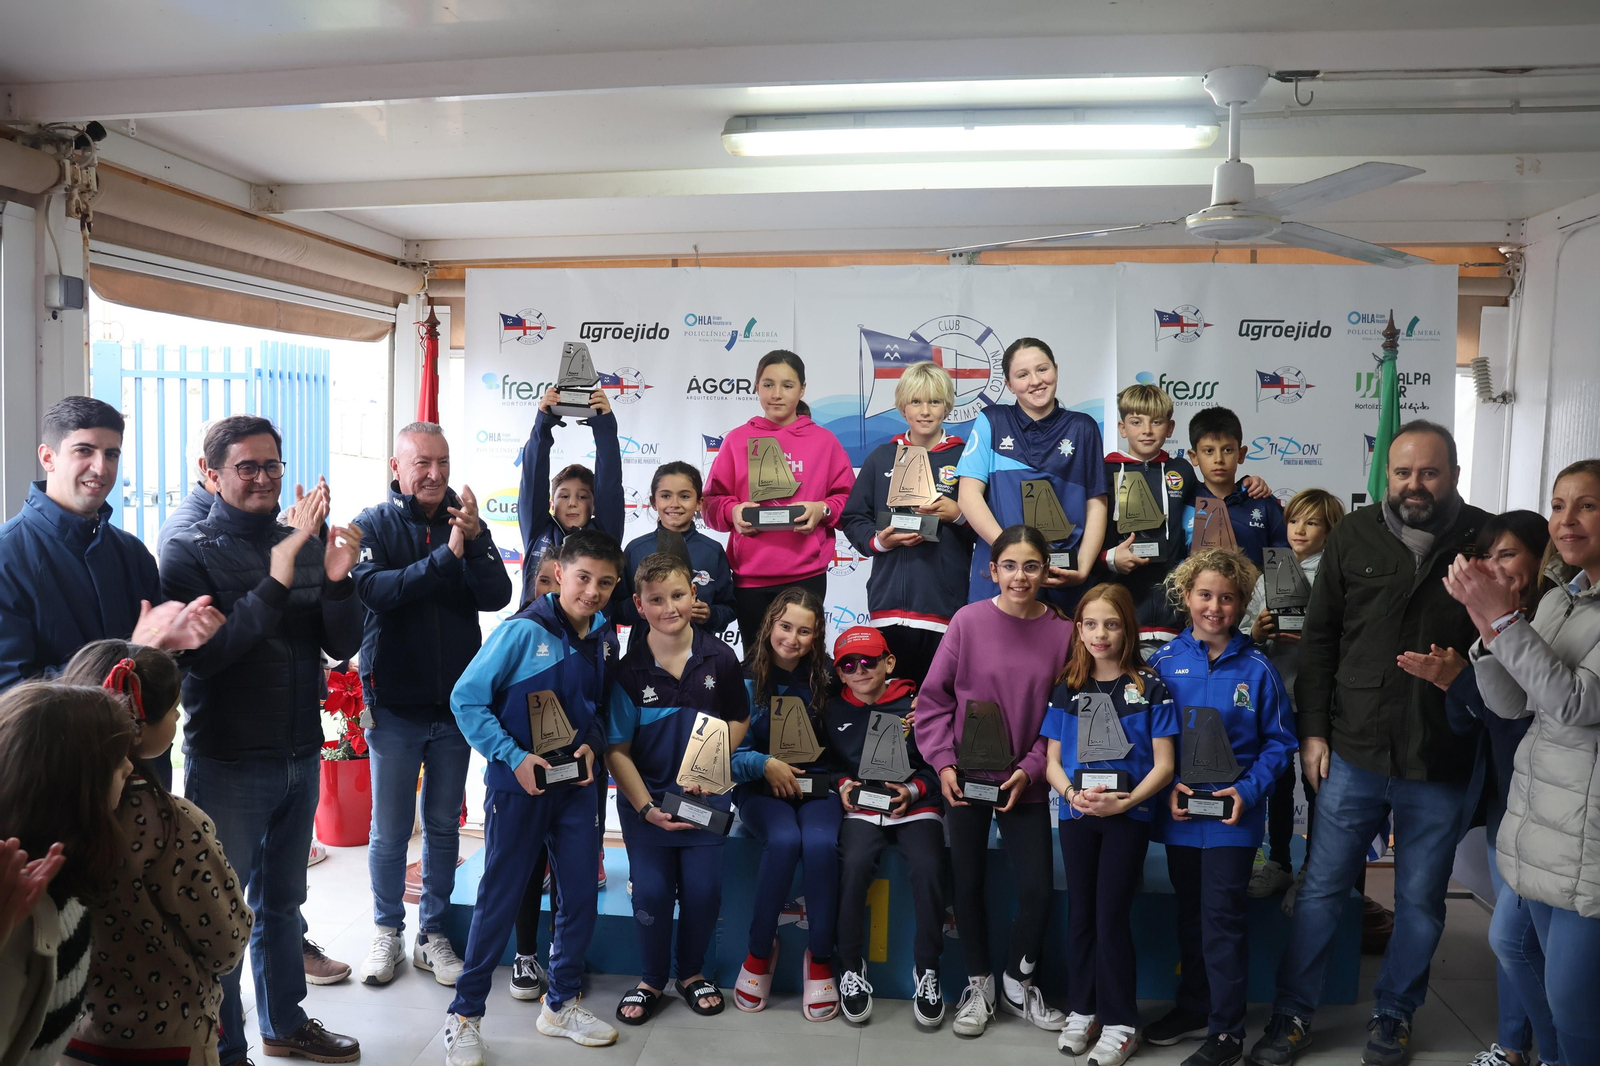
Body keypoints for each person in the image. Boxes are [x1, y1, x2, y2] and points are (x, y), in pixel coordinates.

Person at [1252, 421, 1490, 1066]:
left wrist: (1464, 678)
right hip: (1353, 747)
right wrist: (1313, 732)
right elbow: (1321, 641)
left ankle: (1394, 1013)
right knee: (1323, 887)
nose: (1415, 485)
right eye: (1403, 473)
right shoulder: (1354, 534)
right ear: (1386, 476)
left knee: (1418, 898)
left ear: (1455, 475)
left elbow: (1507, 640)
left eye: (1430, 472)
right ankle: (1293, 1014)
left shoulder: (1485, 539)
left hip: (1440, 753)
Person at [159, 414, 365, 1065]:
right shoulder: (186, 549)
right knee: (222, 911)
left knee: (284, 904)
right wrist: (277, 578)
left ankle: (285, 1022)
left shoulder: (298, 539)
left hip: (301, 751)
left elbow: (342, 643)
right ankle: (225, 1047)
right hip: (229, 759)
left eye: (271, 465)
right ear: (211, 474)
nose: (262, 477)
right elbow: (208, 658)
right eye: (246, 466)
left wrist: (334, 577)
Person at [444, 531, 625, 1064]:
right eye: (583, 578)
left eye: (605, 582)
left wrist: (592, 747)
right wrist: (513, 757)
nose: (592, 591)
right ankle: (465, 1015)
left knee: (579, 895)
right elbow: (466, 700)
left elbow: (598, 708)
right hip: (517, 787)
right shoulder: (522, 632)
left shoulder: (605, 636)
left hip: (575, 791)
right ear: (558, 572)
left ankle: (560, 1003)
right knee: (499, 901)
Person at [351, 422, 512, 988]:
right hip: (393, 704)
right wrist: (447, 557)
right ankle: (386, 930)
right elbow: (376, 592)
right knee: (390, 831)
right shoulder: (371, 524)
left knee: (444, 826)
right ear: (397, 467)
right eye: (421, 463)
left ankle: (433, 935)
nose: (435, 474)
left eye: (442, 462)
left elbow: (497, 595)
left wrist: (476, 543)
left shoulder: (466, 523)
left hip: (453, 708)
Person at [1397, 512, 1558, 1066]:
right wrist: (1454, 681)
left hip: (1552, 806)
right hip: (1504, 798)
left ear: (1542, 562)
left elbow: (1530, 722)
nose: (1492, 568)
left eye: (1507, 556)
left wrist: (1460, 680)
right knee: (1514, 940)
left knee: (1529, 942)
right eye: (1486, 557)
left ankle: (1535, 1048)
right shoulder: (1485, 621)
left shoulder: (1554, 622)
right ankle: (1516, 1045)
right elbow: (1475, 721)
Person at [1457, 459, 1600, 1066]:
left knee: (1573, 998)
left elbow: (1572, 702)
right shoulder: (1565, 598)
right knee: (1510, 945)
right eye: (1559, 504)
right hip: (1543, 820)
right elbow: (1514, 699)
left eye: (1587, 505)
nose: (1566, 521)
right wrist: (1487, 625)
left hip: (1587, 832)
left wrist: (1508, 621)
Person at [0, 396, 224, 776]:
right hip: (56, 779)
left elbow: (161, 680)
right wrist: (134, 653)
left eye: (112, 454)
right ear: (48, 457)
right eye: (84, 451)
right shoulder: (8, 556)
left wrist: (177, 645)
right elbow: (14, 696)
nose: (100, 467)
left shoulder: (131, 552)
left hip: (143, 776)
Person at [60, 641, 253, 1066]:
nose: (180, 717)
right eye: (174, 711)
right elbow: (227, 945)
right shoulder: (170, 824)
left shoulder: (42, 814)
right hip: (169, 1040)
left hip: (68, 1038)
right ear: (138, 725)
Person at [916, 524, 1076, 1038]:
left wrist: (1030, 770)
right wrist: (942, 763)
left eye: (1032, 566)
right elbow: (934, 700)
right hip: (964, 781)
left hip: (1022, 785)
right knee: (967, 884)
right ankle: (978, 983)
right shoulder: (967, 621)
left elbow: (1061, 717)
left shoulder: (1064, 633)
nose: (1020, 576)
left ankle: (1016, 981)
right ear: (992, 570)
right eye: (1009, 565)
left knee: (1036, 889)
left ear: (1046, 571)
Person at [1143, 549, 1294, 1066]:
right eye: (1205, 595)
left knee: (1222, 917)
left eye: (1227, 598)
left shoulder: (1258, 668)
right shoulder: (1162, 663)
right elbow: (1147, 737)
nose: (1215, 606)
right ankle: (1195, 1007)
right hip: (1182, 816)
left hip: (1232, 819)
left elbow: (1278, 744)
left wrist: (1247, 793)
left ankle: (1227, 1033)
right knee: (1191, 915)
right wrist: (1164, 788)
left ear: (1242, 604)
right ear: (1186, 598)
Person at [604, 552, 750, 1024]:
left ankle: (690, 974)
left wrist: (713, 765)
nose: (670, 607)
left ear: (694, 595)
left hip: (707, 799)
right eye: (656, 599)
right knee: (650, 892)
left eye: (679, 595)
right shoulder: (628, 672)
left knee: (705, 890)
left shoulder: (721, 658)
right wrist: (646, 807)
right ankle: (651, 979)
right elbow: (617, 751)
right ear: (638, 605)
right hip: (647, 807)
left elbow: (740, 719)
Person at [1044, 583, 1178, 1066]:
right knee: (1081, 914)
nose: (1100, 634)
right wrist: (1072, 795)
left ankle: (1122, 1021)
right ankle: (1084, 1008)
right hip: (1078, 815)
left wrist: (1127, 804)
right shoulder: (1069, 684)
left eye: (1112, 624)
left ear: (1129, 627)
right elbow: (1052, 761)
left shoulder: (1150, 686)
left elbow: (1164, 765)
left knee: (1110, 915)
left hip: (1128, 817)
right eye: (1091, 624)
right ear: (1078, 628)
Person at [0, 682, 134, 1066]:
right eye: (114, 759)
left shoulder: (65, 869)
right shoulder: (19, 915)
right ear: (71, 784)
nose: (128, 765)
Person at [826, 626, 947, 1029]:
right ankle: (849, 967)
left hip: (916, 803)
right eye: (848, 664)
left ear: (888, 662)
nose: (859, 670)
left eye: (869, 661)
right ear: (838, 671)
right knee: (855, 863)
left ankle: (927, 969)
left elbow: (941, 761)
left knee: (930, 867)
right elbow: (825, 764)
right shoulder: (831, 709)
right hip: (862, 807)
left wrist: (915, 789)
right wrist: (843, 784)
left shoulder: (917, 704)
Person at [728, 588, 840, 1020]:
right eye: (785, 626)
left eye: (804, 631)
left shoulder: (828, 678)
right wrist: (763, 764)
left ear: (817, 636)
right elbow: (723, 757)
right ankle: (759, 951)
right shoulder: (741, 677)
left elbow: (845, 744)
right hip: (759, 789)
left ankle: (821, 957)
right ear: (770, 624)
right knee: (783, 839)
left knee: (818, 846)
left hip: (817, 789)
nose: (792, 638)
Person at [702, 350, 856, 653]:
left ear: (802, 389)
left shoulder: (824, 441)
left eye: (787, 385)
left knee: (802, 667)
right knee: (757, 665)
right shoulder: (736, 440)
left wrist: (821, 509)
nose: (777, 394)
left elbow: (848, 501)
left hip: (806, 576)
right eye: (768, 384)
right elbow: (710, 503)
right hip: (751, 578)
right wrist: (733, 511)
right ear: (756, 387)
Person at [1103, 384, 1273, 654]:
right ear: (1122, 428)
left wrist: (1247, 483)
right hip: (1126, 601)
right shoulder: (1104, 469)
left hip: (1175, 612)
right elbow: (1092, 528)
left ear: (1169, 429)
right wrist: (1110, 558)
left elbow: (1215, 494)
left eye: (1156, 422)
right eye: (1136, 422)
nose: (1147, 430)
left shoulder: (1181, 469)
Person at [840, 362, 976, 682]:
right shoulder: (882, 457)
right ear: (903, 407)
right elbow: (854, 517)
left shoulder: (965, 458)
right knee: (892, 707)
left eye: (934, 401)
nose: (925, 411)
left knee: (935, 705)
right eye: (916, 402)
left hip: (943, 607)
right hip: (887, 607)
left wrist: (957, 514)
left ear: (948, 406)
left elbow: (991, 528)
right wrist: (879, 541)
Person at [1241, 488, 1345, 900]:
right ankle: (1279, 862)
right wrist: (1258, 633)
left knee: (1318, 785)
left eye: (1312, 522)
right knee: (1277, 786)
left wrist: (1313, 635)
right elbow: (1246, 640)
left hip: (1318, 703)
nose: (1300, 530)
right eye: (1294, 520)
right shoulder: (1269, 576)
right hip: (1277, 700)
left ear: (1330, 529)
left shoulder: (1337, 577)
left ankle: (1312, 869)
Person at [956, 338, 1108, 611]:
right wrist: (1014, 556)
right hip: (1001, 576)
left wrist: (1083, 568)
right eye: (1022, 375)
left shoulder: (1083, 427)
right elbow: (968, 497)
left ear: (1056, 370)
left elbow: (1096, 503)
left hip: (1063, 576)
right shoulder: (992, 419)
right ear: (1009, 384)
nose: (1035, 381)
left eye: (1042, 369)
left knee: (1066, 652)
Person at [517, 386, 621, 608]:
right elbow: (532, 478)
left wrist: (604, 427)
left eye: (583, 497)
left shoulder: (604, 536)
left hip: (589, 637)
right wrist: (543, 423)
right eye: (564, 496)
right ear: (552, 504)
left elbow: (609, 484)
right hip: (538, 633)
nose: (572, 502)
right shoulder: (537, 530)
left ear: (594, 506)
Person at [617, 461, 737, 641]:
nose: (675, 504)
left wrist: (710, 614)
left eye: (684, 496)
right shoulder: (636, 550)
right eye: (665, 496)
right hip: (645, 655)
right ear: (653, 502)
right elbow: (617, 609)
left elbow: (729, 608)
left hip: (698, 654)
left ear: (698, 502)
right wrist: (643, 607)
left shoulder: (712, 550)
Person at [1183, 406, 1287, 567]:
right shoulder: (1184, 504)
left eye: (1227, 450)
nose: (1219, 459)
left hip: (1254, 592)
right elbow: (1171, 563)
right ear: (1194, 457)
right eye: (1209, 451)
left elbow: (1282, 563)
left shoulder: (1262, 502)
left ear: (1241, 454)